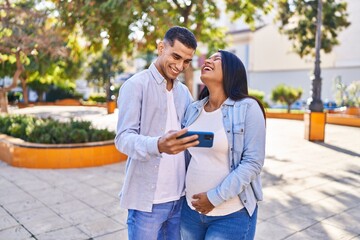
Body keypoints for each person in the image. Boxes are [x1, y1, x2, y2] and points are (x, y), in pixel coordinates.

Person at [114, 26, 199, 240]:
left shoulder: (184, 92)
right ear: (161, 48)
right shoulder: (135, 85)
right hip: (147, 203)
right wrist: (157, 145)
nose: (180, 66)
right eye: (176, 56)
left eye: (187, 61)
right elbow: (123, 139)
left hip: (179, 200)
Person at [180, 50, 266, 240]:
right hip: (190, 212)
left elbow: (252, 163)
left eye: (216, 59)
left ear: (232, 72)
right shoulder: (193, 109)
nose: (208, 61)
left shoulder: (248, 108)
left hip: (231, 215)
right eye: (208, 58)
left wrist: (214, 198)